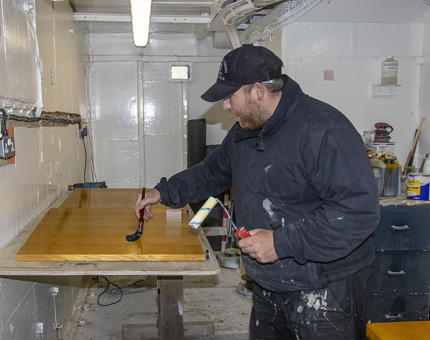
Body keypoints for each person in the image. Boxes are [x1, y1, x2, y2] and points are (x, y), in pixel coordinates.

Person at [135, 44, 380, 339]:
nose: (225, 105)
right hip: (269, 282)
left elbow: (357, 212)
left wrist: (280, 242)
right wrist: (163, 192)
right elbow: (211, 172)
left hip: (325, 288)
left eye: (229, 97)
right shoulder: (245, 131)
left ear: (257, 91)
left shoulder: (323, 130)